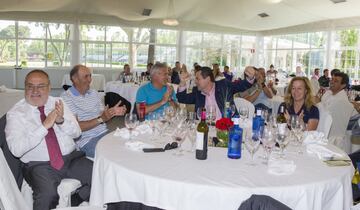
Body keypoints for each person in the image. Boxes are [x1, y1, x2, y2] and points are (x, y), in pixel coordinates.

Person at [5, 70, 93, 209]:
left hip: (71, 158)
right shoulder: (16, 114)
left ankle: (77, 199)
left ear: (49, 88)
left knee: (101, 176)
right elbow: (16, 150)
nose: (35, 90)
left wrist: (60, 121)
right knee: (47, 195)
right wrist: (44, 126)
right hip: (39, 165)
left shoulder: (59, 102)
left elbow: (77, 133)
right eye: (30, 86)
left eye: (41, 86)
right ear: (25, 87)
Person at [61, 65, 127, 158]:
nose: (90, 79)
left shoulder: (93, 93)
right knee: (115, 155)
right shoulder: (66, 98)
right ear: (75, 79)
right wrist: (101, 119)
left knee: (128, 147)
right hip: (86, 140)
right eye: (86, 76)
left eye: (90, 76)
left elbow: (103, 117)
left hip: (104, 133)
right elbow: (76, 127)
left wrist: (112, 112)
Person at [177, 66, 255, 120]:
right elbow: (181, 98)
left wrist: (250, 78)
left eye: (198, 79)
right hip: (205, 130)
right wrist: (182, 82)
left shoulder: (224, 86)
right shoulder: (198, 92)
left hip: (227, 128)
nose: (195, 81)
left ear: (207, 79)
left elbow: (241, 86)